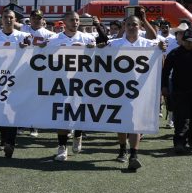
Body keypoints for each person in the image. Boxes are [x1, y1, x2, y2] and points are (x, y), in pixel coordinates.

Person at [107, 16, 164, 171]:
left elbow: (160, 63)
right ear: (124, 26)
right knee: (121, 121)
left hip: (140, 89)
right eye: (129, 24)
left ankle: (134, 154)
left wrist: (161, 51)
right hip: (118, 89)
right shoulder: (113, 44)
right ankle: (122, 148)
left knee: (135, 123)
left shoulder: (149, 44)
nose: (132, 27)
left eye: (135, 24)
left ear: (141, 27)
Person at [46, 10, 97, 162]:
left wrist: (92, 49)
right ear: (64, 21)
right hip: (61, 81)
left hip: (82, 81)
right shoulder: (54, 39)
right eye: (71, 20)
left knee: (79, 110)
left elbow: (100, 56)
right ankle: (62, 147)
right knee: (62, 112)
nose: (75, 22)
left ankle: (78, 134)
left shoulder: (87, 38)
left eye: (76, 20)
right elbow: (45, 57)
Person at [0, 8, 31, 157]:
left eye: (11, 17)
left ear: (15, 19)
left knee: (13, 109)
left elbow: (33, 50)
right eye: (5, 17)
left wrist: (27, 48)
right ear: (1, 19)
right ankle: (5, 139)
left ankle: (10, 142)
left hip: (18, 78)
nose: (8, 20)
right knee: (1, 109)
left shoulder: (23, 36)